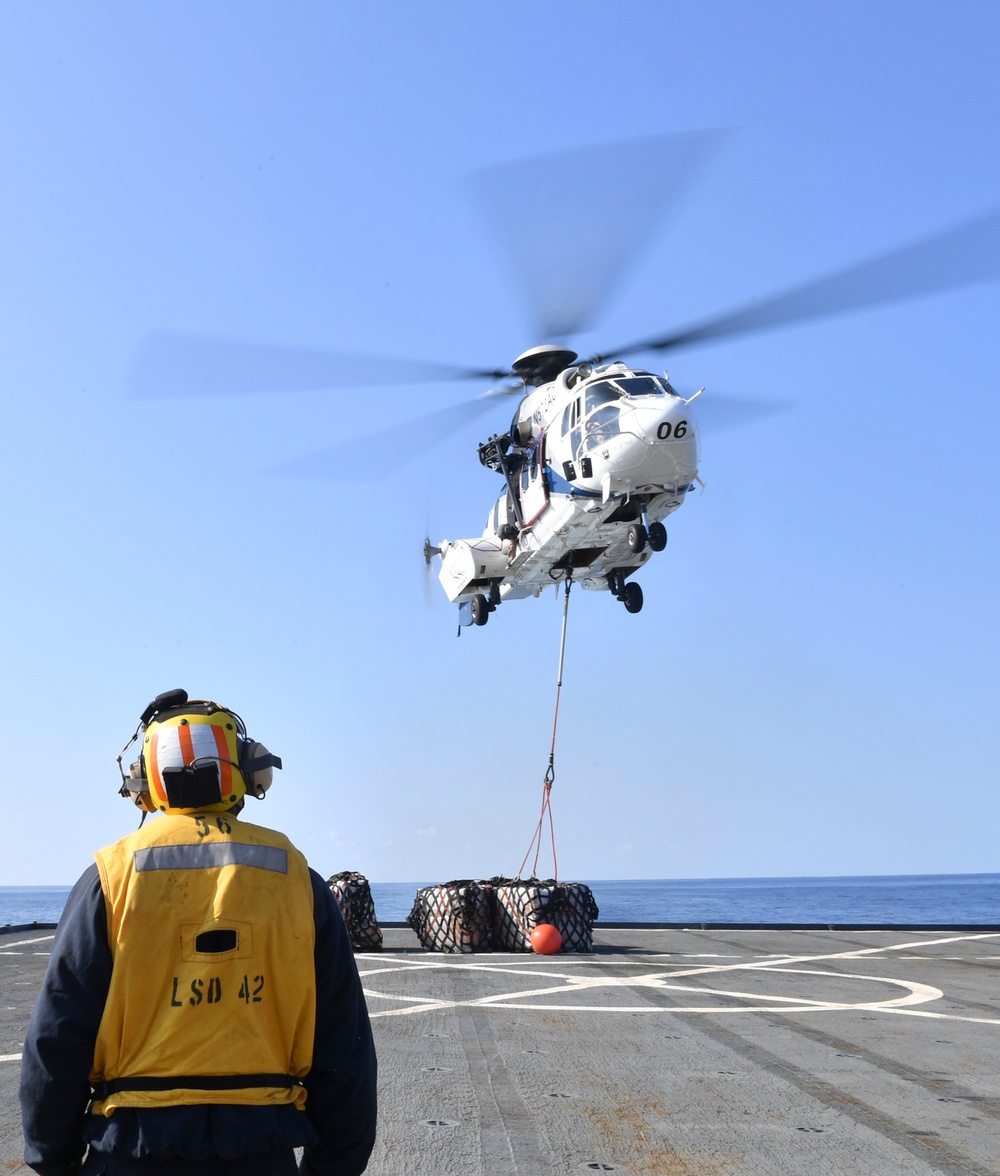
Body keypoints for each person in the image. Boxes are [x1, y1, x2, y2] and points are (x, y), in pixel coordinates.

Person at [19, 689, 377, 1176]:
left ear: (145, 783)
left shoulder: (111, 878)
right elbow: (344, 1045)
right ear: (248, 772)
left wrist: (54, 1160)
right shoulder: (296, 879)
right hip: (261, 1153)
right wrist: (332, 1165)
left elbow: (57, 1037)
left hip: (128, 1150)